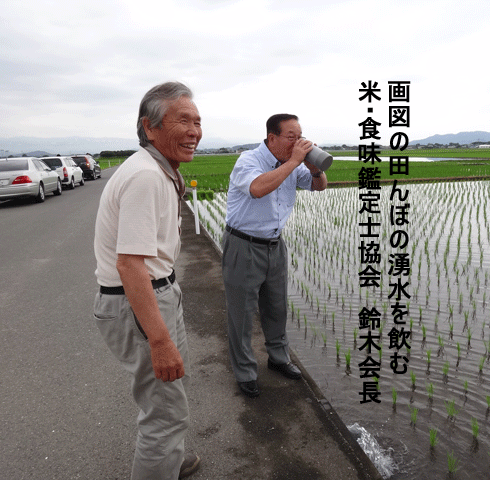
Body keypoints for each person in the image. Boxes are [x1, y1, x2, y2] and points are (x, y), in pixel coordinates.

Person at [93, 81, 202, 479]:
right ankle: (160, 459)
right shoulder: (146, 177)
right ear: (149, 127)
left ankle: (167, 460)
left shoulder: (156, 167)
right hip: (139, 300)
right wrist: (159, 340)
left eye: (198, 122)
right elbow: (130, 265)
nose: (194, 131)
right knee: (165, 411)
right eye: (183, 121)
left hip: (154, 294)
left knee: (168, 392)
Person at [222, 113, 328, 397]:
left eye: (300, 136)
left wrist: (313, 167)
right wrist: (294, 162)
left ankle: (279, 360)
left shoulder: (293, 164)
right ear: (272, 138)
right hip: (243, 245)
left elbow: (319, 186)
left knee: (277, 308)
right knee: (242, 314)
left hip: (274, 244)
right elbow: (257, 188)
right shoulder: (249, 161)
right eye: (291, 137)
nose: (298, 142)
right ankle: (245, 372)